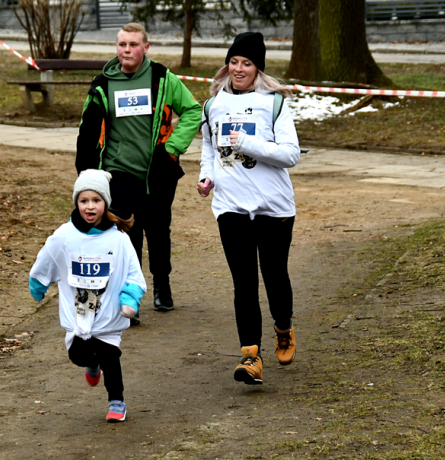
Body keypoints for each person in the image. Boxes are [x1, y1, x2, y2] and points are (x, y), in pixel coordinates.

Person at [75, 23, 201, 318]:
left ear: (146, 48)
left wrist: (171, 150)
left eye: (133, 45)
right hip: (119, 173)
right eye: (122, 45)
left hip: (158, 171)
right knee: (127, 232)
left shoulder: (161, 78)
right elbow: (88, 127)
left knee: (158, 230)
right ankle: (129, 297)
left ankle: (162, 285)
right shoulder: (104, 83)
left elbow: (194, 110)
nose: (126, 50)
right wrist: (86, 169)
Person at [197, 32, 301, 385]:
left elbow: (291, 154)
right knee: (244, 281)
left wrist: (248, 143)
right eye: (235, 61)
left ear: (258, 69)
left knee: (274, 275)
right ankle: (250, 357)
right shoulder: (213, 105)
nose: (239, 69)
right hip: (231, 207)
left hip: (273, 207)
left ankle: (283, 327)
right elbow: (210, 150)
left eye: (247, 63)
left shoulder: (274, 104)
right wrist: (206, 177)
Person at [29, 169, 146, 422]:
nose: (90, 207)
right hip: (77, 315)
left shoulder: (119, 239)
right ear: (76, 203)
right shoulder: (63, 237)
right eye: (84, 201)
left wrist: (129, 300)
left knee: (110, 357)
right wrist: (38, 284)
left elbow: (133, 275)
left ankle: (117, 402)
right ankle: (92, 365)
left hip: (108, 315)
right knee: (78, 356)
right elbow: (46, 259)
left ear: (105, 203)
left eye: (96, 200)